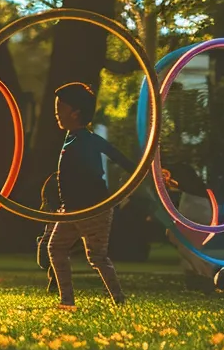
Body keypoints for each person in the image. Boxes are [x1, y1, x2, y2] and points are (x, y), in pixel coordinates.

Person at [46, 82, 150, 308]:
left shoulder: (88, 141)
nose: (56, 112)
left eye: (60, 108)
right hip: (72, 209)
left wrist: (147, 174)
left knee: (97, 257)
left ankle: (119, 299)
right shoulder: (71, 137)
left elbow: (120, 160)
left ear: (75, 113)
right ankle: (67, 301)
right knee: (56, 248)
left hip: (94, 210)